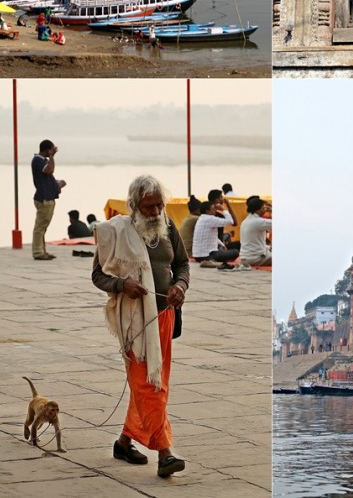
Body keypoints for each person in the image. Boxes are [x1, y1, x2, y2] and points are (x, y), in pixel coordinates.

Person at [92, 175, 189, 478]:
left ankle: (123, 442)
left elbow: (183, 265)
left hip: (164, 316)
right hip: (134, 322)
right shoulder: (116, 232)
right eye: (149, 207)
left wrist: (180, 286)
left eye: (160, 204)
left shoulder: (168, 226)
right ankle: (165, 453)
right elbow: (98, 276)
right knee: (150, 386)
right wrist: (122, 284)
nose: (156, 211)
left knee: (150, 385)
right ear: (135, 206)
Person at [32, 139, 66, 260]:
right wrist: (51, 156)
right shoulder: (37, 160)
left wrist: (57, 185)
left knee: (43, 226)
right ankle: (38, 252)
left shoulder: (42, 161)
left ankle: (42, 251)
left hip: (48, 197)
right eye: (52, 149)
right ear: (47, 150)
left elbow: (47, 176)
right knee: (40, 227)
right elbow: (49, 170)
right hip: (44, 199)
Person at [191, 196, 240, 268]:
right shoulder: (210, 218)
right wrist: (223, 209)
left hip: (197, 255)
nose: (215, 210)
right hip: (208, 255)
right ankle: (214, 261)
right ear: (207, 211)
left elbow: (211, 236)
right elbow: (230, 221)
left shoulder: (201, 219)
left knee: (228, 250)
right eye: (213, 209)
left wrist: (222, 244)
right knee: (235, 252)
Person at [239, 195, 272, 268]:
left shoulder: (245, 221)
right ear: (258, 210)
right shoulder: (258, 222)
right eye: (263, 208)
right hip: (256, 258)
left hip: (245, 258)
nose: (265, 210)